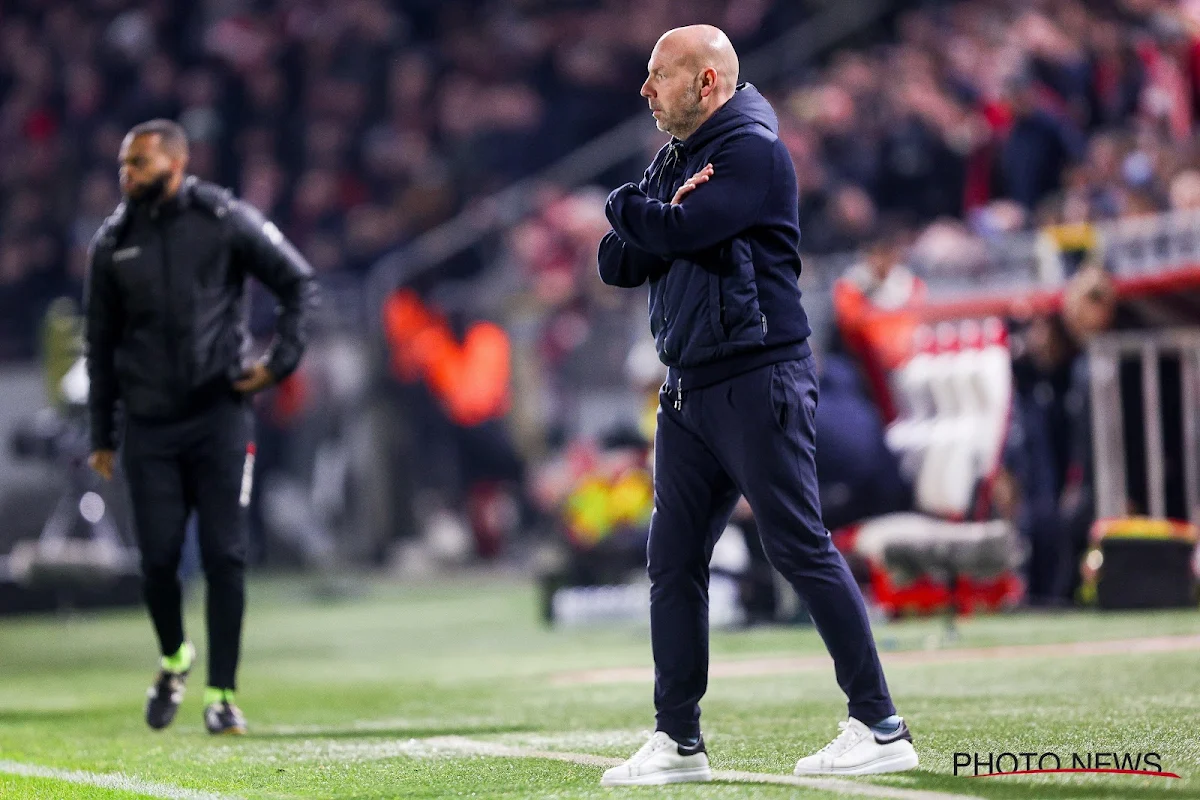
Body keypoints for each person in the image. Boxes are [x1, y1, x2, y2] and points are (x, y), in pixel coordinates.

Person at [596, 26, 918, 785]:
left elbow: (680, 227)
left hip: (757, 377)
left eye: (659, 76)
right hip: (690, 387)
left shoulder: (751, 151)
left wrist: (632, 207)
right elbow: (620, 261)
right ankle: (678, 740)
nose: (645, 90)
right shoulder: (678, 156)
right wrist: (650, 215)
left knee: (799, 547)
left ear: (706, 82)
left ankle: (880, 725)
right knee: (672, 563)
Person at [85, 119, 317, 735]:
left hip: (219, 414)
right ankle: (174, 658)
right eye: (123, 164)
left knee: (225, 556)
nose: (126, 174)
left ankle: (221, 694)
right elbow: (100, 342)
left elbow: (297, 282)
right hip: (149, 427)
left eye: (138, 162)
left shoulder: (222, 218)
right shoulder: (112, 243)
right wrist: (101, 432)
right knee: (158, 562)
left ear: (176, 164)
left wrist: (278, 363)